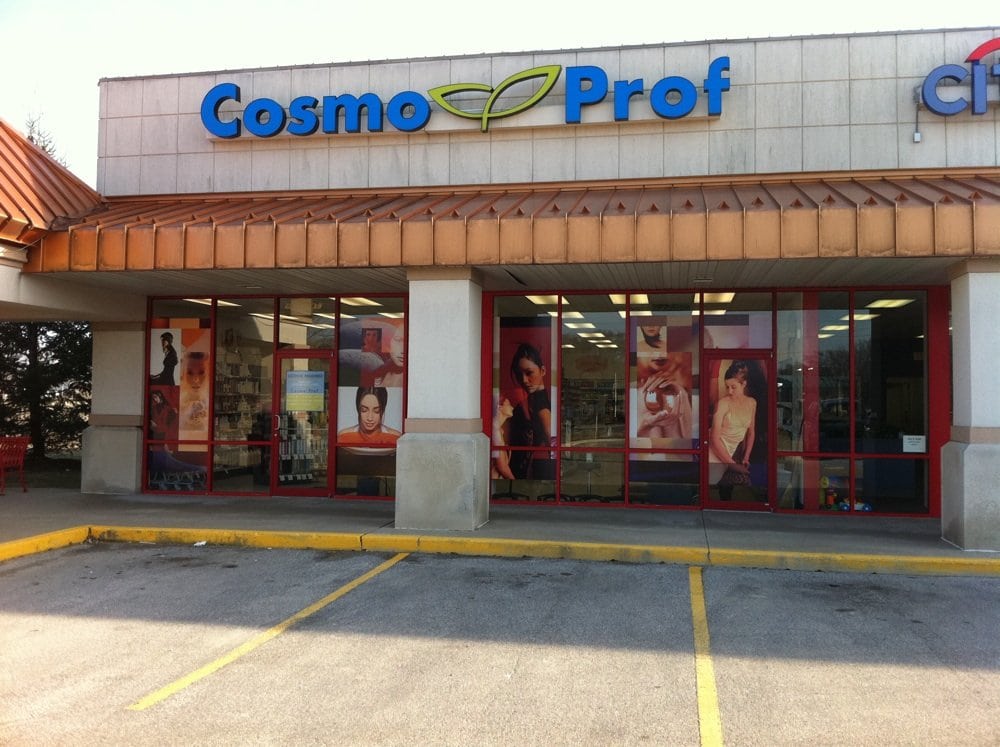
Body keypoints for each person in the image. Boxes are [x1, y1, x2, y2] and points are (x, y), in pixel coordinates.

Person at [494, 342, 552, 480]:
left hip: (524, 471)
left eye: (529, 373)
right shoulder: (531, 401)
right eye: (519, 374)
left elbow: (551, 438)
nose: (524, 380)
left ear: (543, 371)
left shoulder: (539, 404)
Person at [708, 360, 757, 499]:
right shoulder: (723, 403)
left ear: (744, 384)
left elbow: (751, 432)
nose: (729, 391)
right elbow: (714, 439)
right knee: (710, 480)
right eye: (727, 387)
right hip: (714, 449)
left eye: (733, 387)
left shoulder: (752, 403)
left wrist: (746, 456)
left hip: (732, 450)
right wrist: (734, 465)